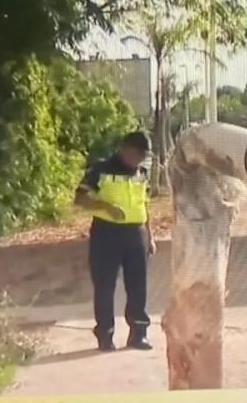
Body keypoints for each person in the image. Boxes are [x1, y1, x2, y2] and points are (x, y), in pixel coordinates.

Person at [75, 131, 156, 351]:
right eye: (137, 154)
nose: (139, 159)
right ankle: (105, 335)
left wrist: (150, 235)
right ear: (124, 148)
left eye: (143, 155)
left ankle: (138, 334)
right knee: (105, 286)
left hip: (136, 233)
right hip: (106, 234)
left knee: (138, 286)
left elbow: (144, 205)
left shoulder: (142, 173)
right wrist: (105, 207)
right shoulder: (100, 170)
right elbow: (80, 199)